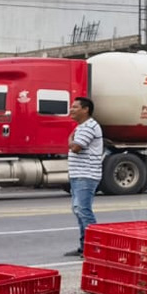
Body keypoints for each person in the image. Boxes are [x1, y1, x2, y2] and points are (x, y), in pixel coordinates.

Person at [64, 96, 103, 257]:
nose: (71, 110)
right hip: (78, 174)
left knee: (84, 210)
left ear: (85, 109)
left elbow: (76, 147)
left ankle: (94, 248)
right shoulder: (82, 126)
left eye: (75, 107)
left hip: (86, 175)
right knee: (78, 210)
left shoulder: (88, 127)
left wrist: (70, 139)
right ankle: (84, 246)